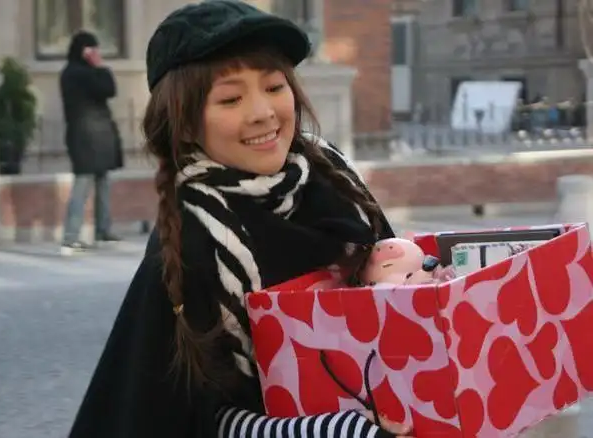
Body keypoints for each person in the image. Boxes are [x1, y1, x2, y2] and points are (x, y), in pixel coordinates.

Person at [68, 1, 416, 437]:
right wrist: (335, 431)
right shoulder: (196, 238)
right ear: (185, 123)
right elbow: (201, 418)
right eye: (231, 98)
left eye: (274, 86)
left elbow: (401, 299)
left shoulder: (333, 178)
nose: (262, 112)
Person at [59, 31, 123, 256]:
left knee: (103, 183)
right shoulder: (74, 73)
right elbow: (105, 88)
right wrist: (98, 66)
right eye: (92, 50)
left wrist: (97, 67)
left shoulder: (87, 72)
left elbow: (111, 90)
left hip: (100, 136)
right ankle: (70, 238)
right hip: (84, 137)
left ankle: (103, 231)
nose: (96, 54)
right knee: (83, 184)